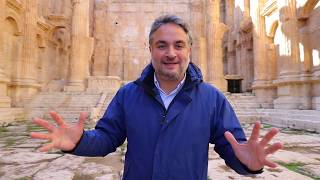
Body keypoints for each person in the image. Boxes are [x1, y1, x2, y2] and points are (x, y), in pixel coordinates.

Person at [30, 15, 283, 180]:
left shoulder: (212, 98)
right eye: (161, 45)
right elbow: (107, 138)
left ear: (189, 50)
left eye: (179, 45)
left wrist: (248, 164)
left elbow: (232, 147)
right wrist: (80, 141)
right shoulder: (128, 94)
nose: (171, 53)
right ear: (150, 49)